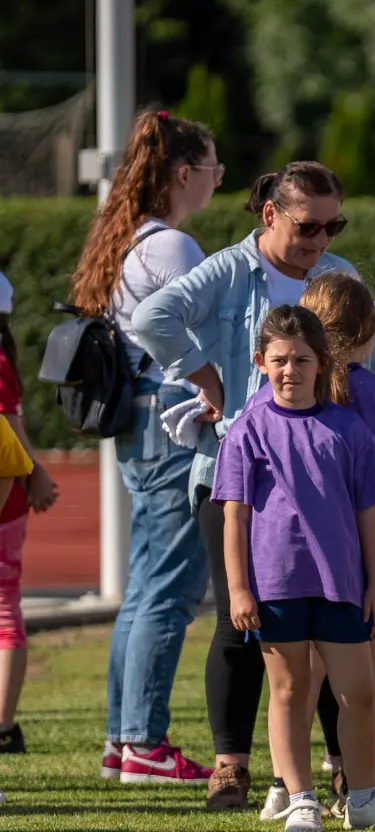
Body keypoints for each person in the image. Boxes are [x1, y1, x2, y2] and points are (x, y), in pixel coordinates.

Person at [133, 160, 375, 810]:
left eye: (333, 226)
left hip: (327, 484)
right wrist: (207, 378)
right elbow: (154, 316)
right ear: (271, 214)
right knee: (239, 621)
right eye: (308, 226)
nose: (320, 240)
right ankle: (232, 768)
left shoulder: (338, 276)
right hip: (235, 478)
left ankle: (347, 773)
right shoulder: (229, 270)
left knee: (336, 625)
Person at [212, 306, 375, 832]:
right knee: (289, 690)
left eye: (302, 360)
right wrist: (238, 589)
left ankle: (363, 798)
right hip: (277, 583)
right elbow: (235, 516)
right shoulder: (246, 431)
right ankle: (300, 797)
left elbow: (369, 514)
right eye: (280, 360)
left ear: (322, 363)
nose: (291, 371)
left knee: (359, 690)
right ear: (261, 362)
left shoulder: (348, 430)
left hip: (341, 584)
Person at [256, 273, 375, 821]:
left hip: (292, 547)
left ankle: (286, 785)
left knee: (294, 681)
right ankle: (358, 786)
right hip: (370, 545)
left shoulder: (276, 393)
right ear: (370, 331)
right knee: (362, 677)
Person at [68, 110, 219, 787]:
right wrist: (215, 384)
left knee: (144, 587)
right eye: (213, 168)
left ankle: (123, 739)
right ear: (184, 173)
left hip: (140, 421)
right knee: (169, 588)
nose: (217, 180)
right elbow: (199, 335)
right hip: (170, 423)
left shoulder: (130, 239)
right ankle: (143, 743)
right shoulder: (172, 247)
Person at [0, 274, 59, 755]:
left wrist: (34, 470)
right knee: (5, 610)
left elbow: (9, 425)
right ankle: (3, 725)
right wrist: (34, 470)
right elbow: (11, 425)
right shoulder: (3, 360)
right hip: (9, 501)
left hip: (8, 496)